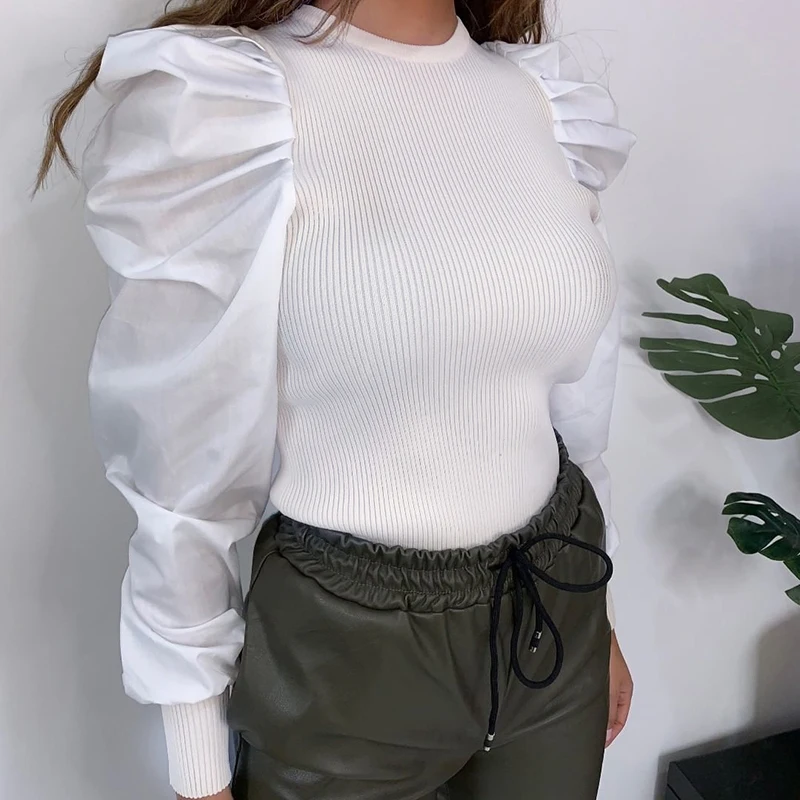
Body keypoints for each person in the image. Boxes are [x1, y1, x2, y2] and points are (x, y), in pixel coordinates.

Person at [35, 1, 636, 798]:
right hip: (349, 655)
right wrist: (197, 760)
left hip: (556, 608)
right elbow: (182, 475)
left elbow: (578, 411)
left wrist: (600, 613)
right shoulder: (228, 107)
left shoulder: (544, 101)